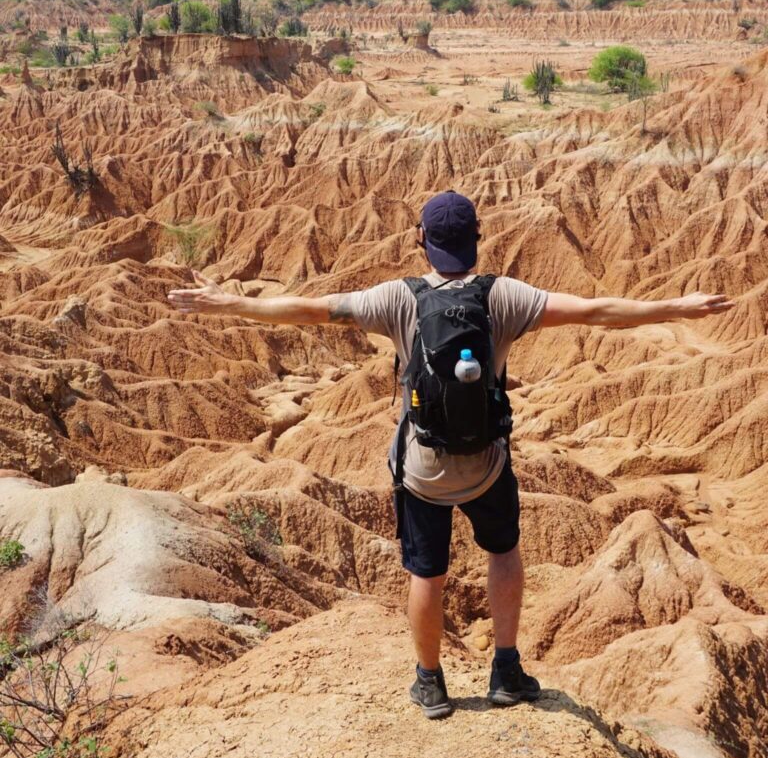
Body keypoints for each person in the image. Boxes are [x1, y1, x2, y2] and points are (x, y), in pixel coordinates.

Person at [167, 190, 734, 719]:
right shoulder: (503, 295)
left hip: (423, 471)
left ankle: (431, 682)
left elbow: (312, 309)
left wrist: (229, 302)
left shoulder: (398, 298)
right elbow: (597, 310)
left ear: (422, 242)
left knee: (427, 574)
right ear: (476, 241)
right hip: (487, 464)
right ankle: (506, 671)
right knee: (504, 552)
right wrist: (677, 306)